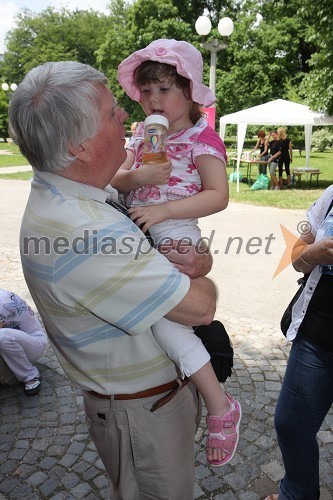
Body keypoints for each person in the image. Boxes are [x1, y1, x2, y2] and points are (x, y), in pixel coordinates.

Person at [9, 60, 218, 500]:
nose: (127, 113)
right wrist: (202, 267)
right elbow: (201, 307)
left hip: (140, 402)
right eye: (110, 113)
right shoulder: (88, 232)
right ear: (80, 147)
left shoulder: (71, 191)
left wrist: (195, 256)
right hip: (144, 412)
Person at [115, 38, 241, 467]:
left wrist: (165, 207)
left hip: (175, 229)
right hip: (139, 228)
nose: (153, 99)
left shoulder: (202, 137)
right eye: (147, 91)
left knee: (165, 320)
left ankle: (220, 406)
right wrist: (138, 177)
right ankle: (217, 403)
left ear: (189, 91)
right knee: (158, 322)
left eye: (164, 89)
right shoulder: (141, 133)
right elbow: (117, 179)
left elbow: (218, 195)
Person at [264, 184, 333, 500]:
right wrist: (313, 253)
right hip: (315, 338)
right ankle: (297, 494)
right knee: (291, 425)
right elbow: (295, 256)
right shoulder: (331, 196)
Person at [0, 288, 47, 395]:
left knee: (1, 337)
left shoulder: (2, 299)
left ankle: (30, 375)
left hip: (35, 345)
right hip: (18, 341)